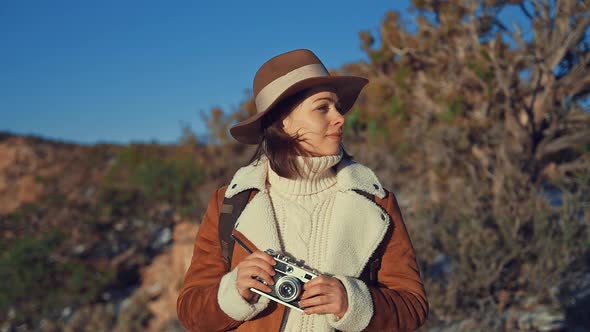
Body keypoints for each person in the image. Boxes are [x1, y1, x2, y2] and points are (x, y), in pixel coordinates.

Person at [177, 49, 428, 332]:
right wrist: (233, 292)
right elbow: (190, 312)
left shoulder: (377, 203)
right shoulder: (232, 203)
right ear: (284, 121)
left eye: (337, 107)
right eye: (323, 108)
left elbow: (412, 306)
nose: (340, 118)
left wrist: (352, 302)